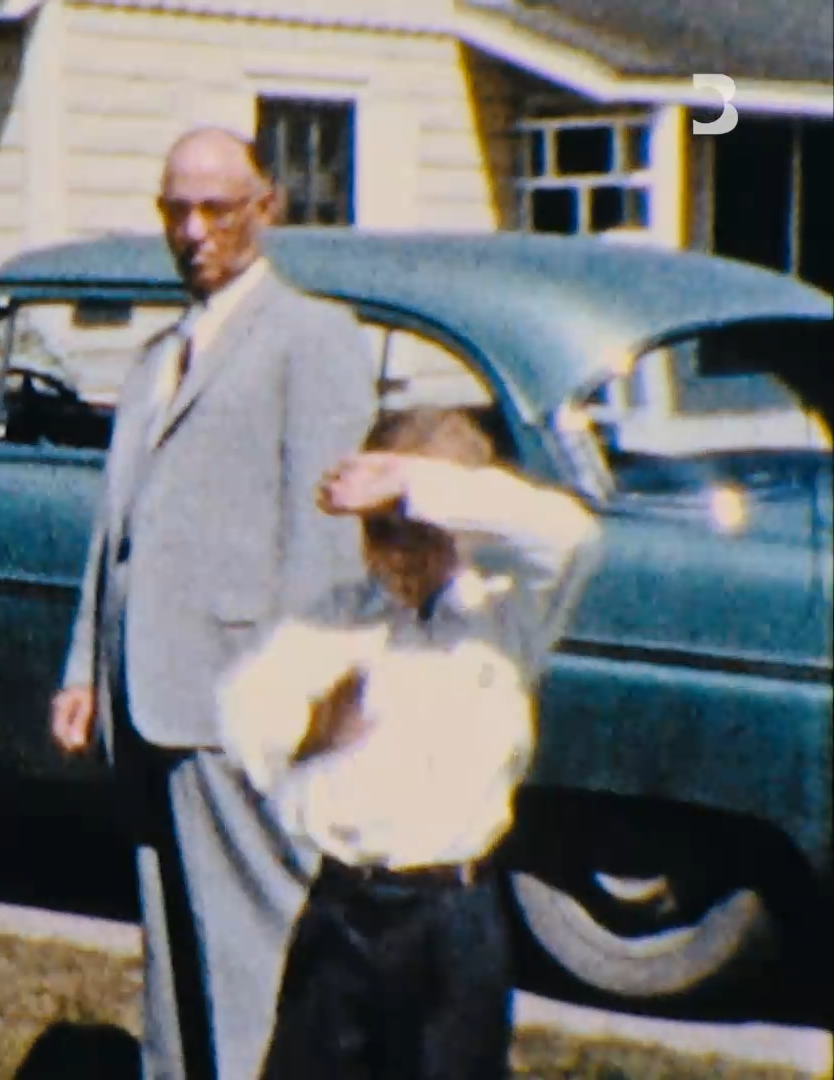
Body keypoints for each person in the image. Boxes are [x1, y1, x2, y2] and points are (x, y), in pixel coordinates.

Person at [50, 128, 378, 1080]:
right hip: (149, 698)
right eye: (176, 211)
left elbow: (327, 536)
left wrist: (297, 698)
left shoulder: (312, 338)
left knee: (254, 953)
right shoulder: (159, 354)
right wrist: (85, 669)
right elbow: (119, 526)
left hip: (241, 702)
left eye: (216, 209)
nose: (193, 232)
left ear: (266, 208)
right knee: (175, 955)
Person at [218, 408, 601, 1079]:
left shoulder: (506, 617)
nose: (396, 554)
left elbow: (572, 535)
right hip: (343, 910)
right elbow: (248, 715)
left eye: (414, 529)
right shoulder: (340, 619)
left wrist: (408, 481)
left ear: (460, 521)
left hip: (450, 920)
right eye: (379, 532)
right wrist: (315, 730)